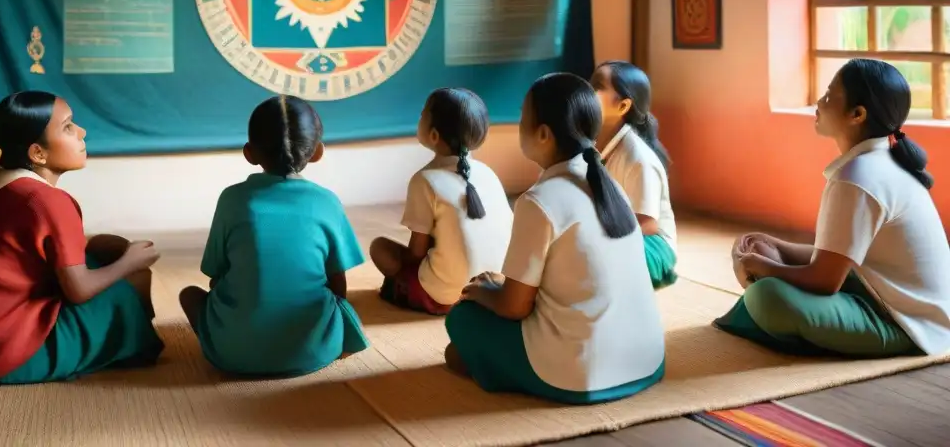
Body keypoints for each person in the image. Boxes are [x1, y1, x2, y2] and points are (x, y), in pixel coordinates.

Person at [444, 73, 666, 404]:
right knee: (468, 345)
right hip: (646, 361)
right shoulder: (611, 187)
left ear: (544, 135)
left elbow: (514, 306)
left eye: (523, 117)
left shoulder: (538, 200)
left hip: (580, 374)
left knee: (461, 320)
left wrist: (482, 293)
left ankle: (503, 368)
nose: (520, 124)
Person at [0, 91, 164, 385]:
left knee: (100, 256)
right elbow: (78, 290)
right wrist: (130, 261)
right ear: (37, 153)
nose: (82, 132)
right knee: (134, 282)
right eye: (68, 127)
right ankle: (130, 348)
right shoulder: (45, 201)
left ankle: (122, 339)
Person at [719, 59, 950, 358]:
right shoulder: (877, 163)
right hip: (889, 297)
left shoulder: (858, 177)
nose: (819, 102)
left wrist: (759, 267)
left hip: (907, 324)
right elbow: (839, 260)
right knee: (765, 255)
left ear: (857, 114)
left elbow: (825, 280)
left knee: (768, 296)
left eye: (829, 95)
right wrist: (775, 247)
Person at [179, 95, 369, 377]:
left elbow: (214, 272)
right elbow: (337, 281)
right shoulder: (327, 201)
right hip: (313, 350)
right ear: (317, 152)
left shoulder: (233, 199)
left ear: (249, 153)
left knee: (189, 295)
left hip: (231, 354)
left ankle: (241, 340)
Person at [370, 88, 513, 315]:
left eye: (421, 115)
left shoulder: (424, 180)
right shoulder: (489, 173)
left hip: (445, 296)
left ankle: (406, 291)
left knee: (379, 248)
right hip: (494, 289)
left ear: (434, 135)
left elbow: (416, 253)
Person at [591, 61, 677, 288]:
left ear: (622, 106)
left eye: (597, 86)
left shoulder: (639, 159)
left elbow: (647, 225)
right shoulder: (591, 144)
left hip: (650, 247)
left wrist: (594, 242)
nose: (588, 92)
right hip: (617, 238)